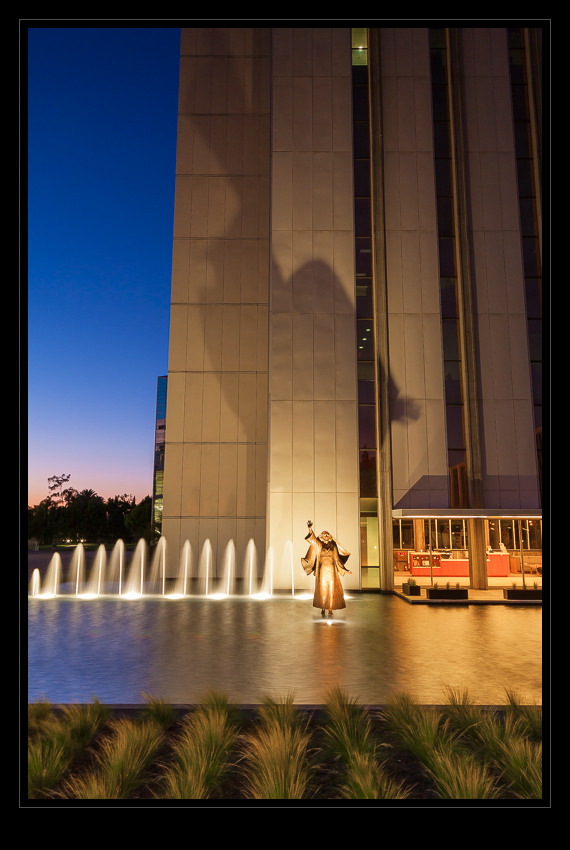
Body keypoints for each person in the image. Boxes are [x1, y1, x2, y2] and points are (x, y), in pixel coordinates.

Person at [301, 520, 352, 617]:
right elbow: (312, 540)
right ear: (321, 536)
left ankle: (330, 609)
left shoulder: (333, 547)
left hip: (332, 572)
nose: (326, 535)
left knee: (331, 589)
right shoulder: (319, 546)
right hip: (322, 572)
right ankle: (323, 607)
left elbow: (337, 560)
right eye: (324, 534)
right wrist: (310, 529)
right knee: (322, 589)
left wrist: (345, 569)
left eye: (328, 534)